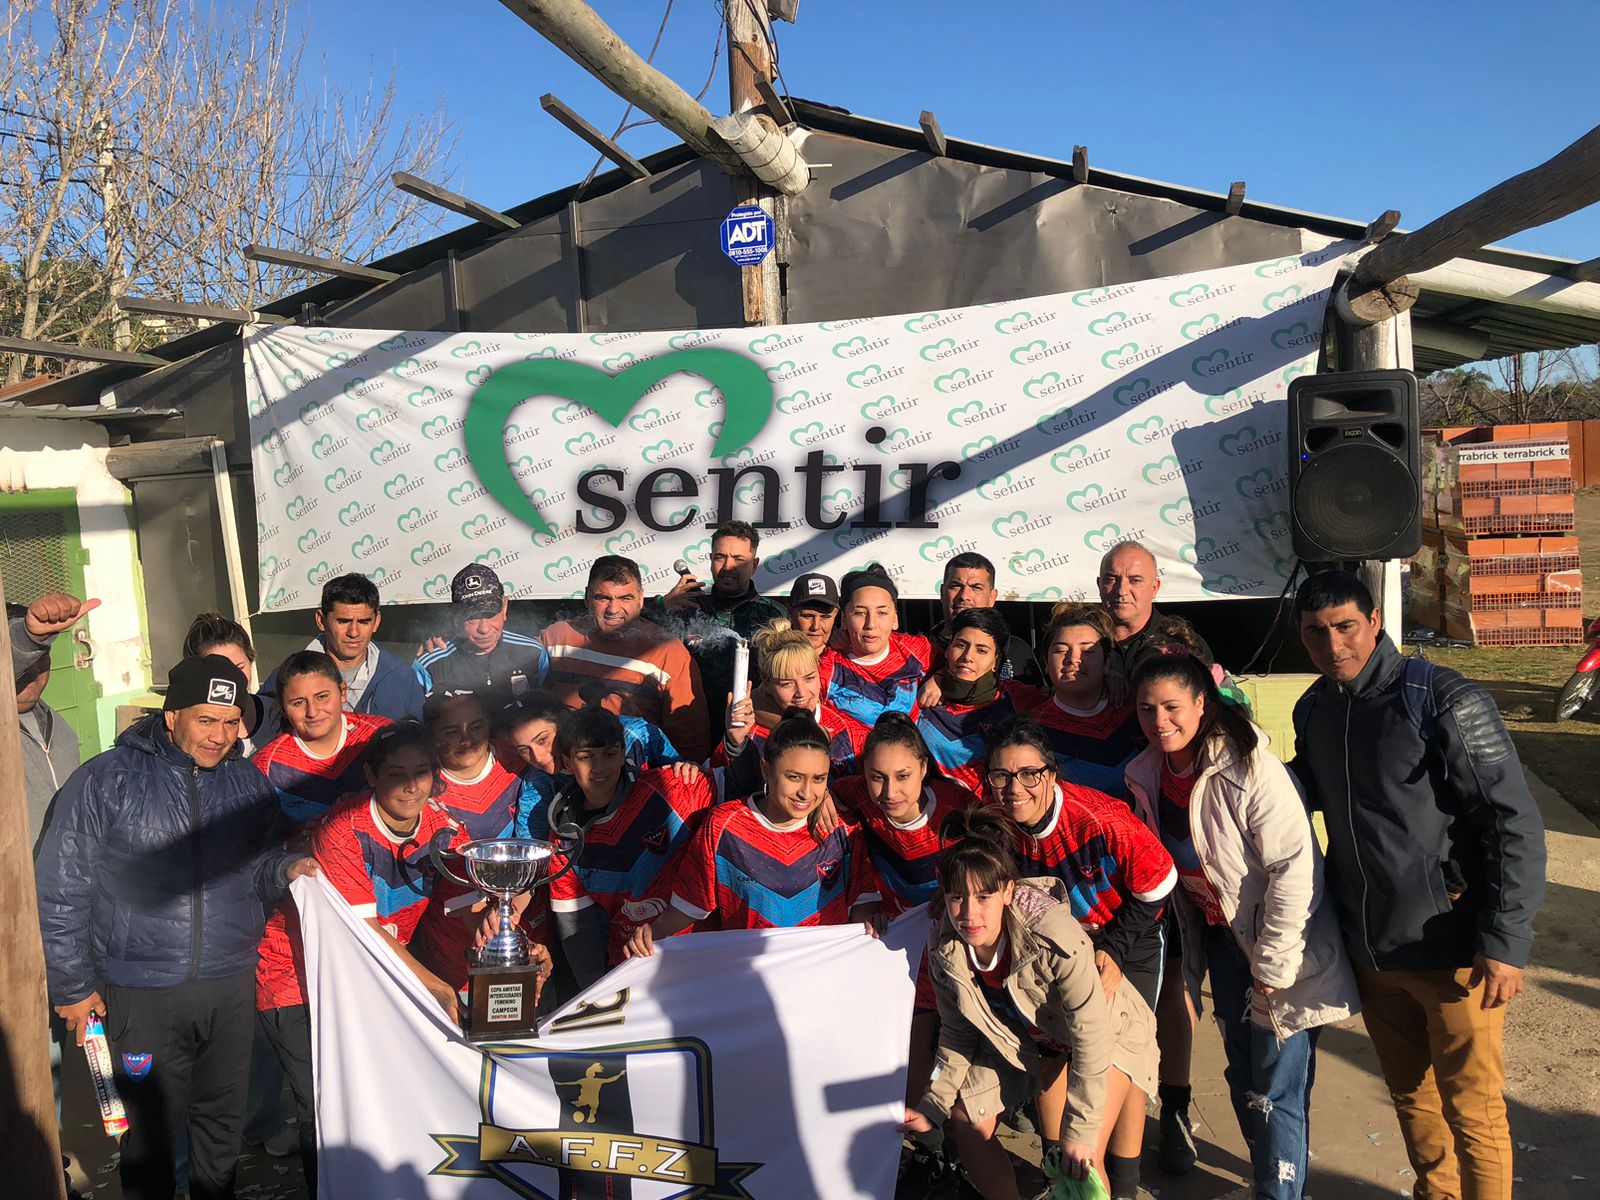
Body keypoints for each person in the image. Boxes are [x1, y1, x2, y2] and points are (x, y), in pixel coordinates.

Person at [1290, 570, 1545, 1200]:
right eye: (1316, 633)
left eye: (1345, 627)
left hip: (1453, 949)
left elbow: (1512, 822)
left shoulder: (1443, 698)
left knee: (1475, 1111)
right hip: (1373, 952)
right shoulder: (1315, 708)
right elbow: (1311, 794)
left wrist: (1507, 940)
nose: (1333, 645)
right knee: (1411, 1099)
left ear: (1375, 621)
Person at [34, 654, 316, 1200]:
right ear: (171, 716)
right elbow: (61, 885)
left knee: (221, 1127)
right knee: (146, 1135)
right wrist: (71, 984)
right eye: (205, 720)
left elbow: (256, 868)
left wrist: (284, 869)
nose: (219, 736)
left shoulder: (247, 784)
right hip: (141, 993)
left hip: (229, 987)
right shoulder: (104, 779)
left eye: (230, 722)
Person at [1127, 652, 1358, 1200]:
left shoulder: (1248, 768)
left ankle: (1281, 1193)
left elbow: (1295, 867)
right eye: (1146, 709)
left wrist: (1275, 961)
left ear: (1201, 704)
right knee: (1242, 1073)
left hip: (1282, 945)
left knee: (1278, 1083)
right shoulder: (1143, 773)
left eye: (1172, 707)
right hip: (1223, 944)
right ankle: (1265, 1182)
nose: (1160, 721)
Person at [254, 721, 472, 1191]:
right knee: (322, 1103)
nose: (410, 786)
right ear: (371, 776)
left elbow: (459, 907)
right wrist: (432, 984)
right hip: (294, 971)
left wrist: (497, 934)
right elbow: (367, 931)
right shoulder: (342, 827)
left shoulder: (446, 827)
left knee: (372, 1095)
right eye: (396, 773)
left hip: (367, 977)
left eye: (421, 772)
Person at [896, 807, 1157, 1200]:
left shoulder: (1055, 937)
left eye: (984, 897)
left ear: (1007, 890)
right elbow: (957, 1034)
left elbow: (1092, 1036)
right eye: (957, 898)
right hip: (1032, 1040)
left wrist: (1081, 1132)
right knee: (966, 1123)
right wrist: (933, 1104)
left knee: (1081, 1159)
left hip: (1108, 1029)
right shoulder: (944, 947)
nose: (969, 914)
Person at [980, 714, 1174, 1200]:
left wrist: (1112, 949)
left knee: (1121, 1055)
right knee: (1055, 1051)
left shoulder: (1100, 816)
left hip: (1125, 937)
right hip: (1053, 953)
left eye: (1029, 774)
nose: (1014, 788)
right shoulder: (993, 823)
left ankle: (1124, 1181)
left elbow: (1159, 883)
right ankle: (1063, 1173)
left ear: (1051, 773)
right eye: (1001, 775)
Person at [624, 715, 879, 952]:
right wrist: (651, 934)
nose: (806, 792)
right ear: (766, 770)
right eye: (794, 777)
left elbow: (863, 907)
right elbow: (688, 908)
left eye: (818, 778)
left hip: (820, 985)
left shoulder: (844, 831)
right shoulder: (723, 826)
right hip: (747, 984)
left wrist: (877, 924)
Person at [830, 714, 973, 1110]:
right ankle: (913, 1130)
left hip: (960, 940)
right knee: (914, 1034)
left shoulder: (960, 809)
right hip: (903, 942)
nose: (890, 791)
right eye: (877, 777)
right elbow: (830, 794)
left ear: (924, 769)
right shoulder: (853, 793)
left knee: (961, 1038)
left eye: (903, 776)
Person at [536, 706, 717, 987]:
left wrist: (734, 742)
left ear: (623, 753)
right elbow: (577, 929)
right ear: (567, 763)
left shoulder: (674, 787)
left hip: (701, 953)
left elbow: (742, 788)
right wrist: (595, 992)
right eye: (585, 758)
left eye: (609, 754)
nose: (599, 768)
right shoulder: (564, 841)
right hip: (632, 963)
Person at [408, 691, 552, 997]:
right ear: (432, 737)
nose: (467, 739)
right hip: (454, 949)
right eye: (451, 731)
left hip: (532, 932)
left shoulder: (521, 761)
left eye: (476, 726)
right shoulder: (417, 788)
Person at [542, 556, 711, 762]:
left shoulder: (668, 651)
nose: (613, 609)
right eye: (603, 598)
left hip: (638, 780)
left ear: (641, 599)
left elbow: (690, 743)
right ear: (587, 598)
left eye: (625, 598)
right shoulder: (554, 638)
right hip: (563, 769)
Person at [652, 520, 787, 729]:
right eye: (720, 557)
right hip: (692, 726)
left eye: (739, 559)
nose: (727, 567)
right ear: (710, 560)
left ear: (754, 565)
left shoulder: (774, 615)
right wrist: (662, 606)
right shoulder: (687, 608)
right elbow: (633, 640)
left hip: (753, 727)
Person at [718, 620, 868, 799]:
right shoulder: (746, 731)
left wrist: (834, 795)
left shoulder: (841, 727)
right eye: (787, 683)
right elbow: (732, 793)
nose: (802, 693)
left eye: (809, 678)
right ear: (767, 684)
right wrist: (736, 744)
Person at [262, 573, 423, 722]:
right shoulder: (285, 679)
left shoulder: (402, 679)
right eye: (343, 621)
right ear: (321, 620)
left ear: (377, 621)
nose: (353, 632)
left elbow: (421, 742)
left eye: (364, 621)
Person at [252, 650, 391, 823]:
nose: (312, 711)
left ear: (343, 692)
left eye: (322, 697)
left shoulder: (384, 735)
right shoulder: (266, 767)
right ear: (283, 708)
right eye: (298, 703)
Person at [1026, 604, 1148, 799]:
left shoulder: (1140, 716)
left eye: (1088, 651)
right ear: (1046, 663)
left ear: (1107, 662)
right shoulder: (1030, 732)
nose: (1073, 659)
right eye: (1060, 650)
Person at [10, 593, 94, 846]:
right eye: (24, 661)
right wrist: (28, 637)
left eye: (41, 657)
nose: (33, 671)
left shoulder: (60, 729)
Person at [915, 607, 1027, 794]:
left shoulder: (1016, 699)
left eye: (981, 650)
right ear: (948, 649)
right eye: (960, 645)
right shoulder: (919, 699)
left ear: (996, 662)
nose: (968, 657)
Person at [414, 563, 549, 712]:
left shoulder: (533, 653)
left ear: (504, 607)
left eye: (490, 615)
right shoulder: (429, 665)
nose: (484, 629)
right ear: (455, 616)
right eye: (472, 617)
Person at [818, 564, 935, 727]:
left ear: (895, 619)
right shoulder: (826, 669)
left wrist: (940, 678)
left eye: (882, 613)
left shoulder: (916, 649)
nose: (871, 624)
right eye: (860, 613)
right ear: (844, 619)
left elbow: (961, 663)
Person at [1096, 540, 1213, 675]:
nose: (1122, 590)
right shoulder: (1076, 642)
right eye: (1111, 579)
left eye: (1135, 580)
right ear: (1099, 585)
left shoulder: (1185, 643)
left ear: (1154, 587)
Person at [929, 553, 1043, 687]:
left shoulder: (1015, 649)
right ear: (942, 592)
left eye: (976, 587)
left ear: (992, 597)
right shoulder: (920, 649)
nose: (964, 596)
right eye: (955, 585)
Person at [785, 571, 841, 653]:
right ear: (790, 613)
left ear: (835, 615)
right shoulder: (769, 659)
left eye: (825, 617)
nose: (815, 627)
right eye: (807, 616)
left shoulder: (852, 659)